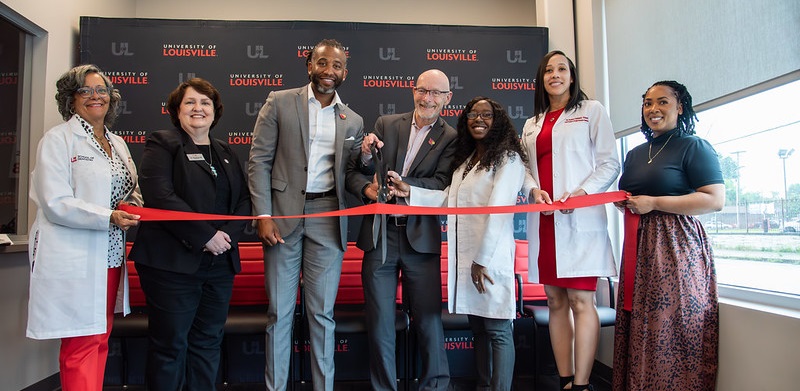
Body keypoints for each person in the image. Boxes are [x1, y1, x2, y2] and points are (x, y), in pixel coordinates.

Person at [248, 38, 364, 391]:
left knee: (322, 315)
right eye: (323, 63)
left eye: (337, 66)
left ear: (345, 72)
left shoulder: (353, 119)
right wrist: (263, 215)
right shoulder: (280, 101)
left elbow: (353, 172)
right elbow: (259, 162)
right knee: (279, 314)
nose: (329, 71)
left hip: (328, 217)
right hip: (282, 217)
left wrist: (370, 159)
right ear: (309, 65)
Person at [390, 97, 527, 391]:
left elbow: (498, 211)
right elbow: (445, 200)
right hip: (468, 262)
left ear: (498, 120)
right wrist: (408, 190)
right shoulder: (466, 163)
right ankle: (484, 386)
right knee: (478, 328)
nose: (479, 119)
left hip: (488, 260)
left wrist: (482, 260)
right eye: (472, 115)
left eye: (487, 115)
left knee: (498, 329)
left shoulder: (508, 159)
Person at [128, 78, 251, 390]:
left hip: (219, 266)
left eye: (205, 103)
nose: (199, 108)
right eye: (190, 103)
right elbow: (160, 197)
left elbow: (244, 201)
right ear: (176, 110)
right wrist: (206, 236)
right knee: (170, 347)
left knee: (208, 343)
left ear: (215, 111)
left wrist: (225, 237)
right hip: (172, 266)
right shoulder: (163, 143)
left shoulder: (225, 151)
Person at [27, 64, 142, 391]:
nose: (96, 97)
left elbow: (130, 188)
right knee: (80, 343)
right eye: (86, 91)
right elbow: (54, 200)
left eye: (102, 90)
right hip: (74, 256)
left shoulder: (117, 143)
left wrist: (133, 205)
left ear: (111, 98)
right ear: (71, 99)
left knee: (100, 336)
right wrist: (108, 216)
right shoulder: (58, 140)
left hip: (109, 258)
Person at [349, 69, 456, 391]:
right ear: (413, 91)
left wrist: (405, 186)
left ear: (448, 99)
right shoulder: (386, 123)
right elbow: (360, 170)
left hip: (420, 239)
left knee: (428, 322)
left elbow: (442, 183)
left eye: (437, 93)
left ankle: (435, 386)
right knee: (380, 323)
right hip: (380, 236)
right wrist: (367, 161)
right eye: (423, 90)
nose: (428, 98)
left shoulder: (451, 137)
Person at [613, 80, 724, 391]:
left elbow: (714, 200)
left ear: (680, 107)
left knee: (672, 323)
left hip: (677, 246)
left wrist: (654, 203)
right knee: (641, 322)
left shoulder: (694, 146)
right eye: (648, 103)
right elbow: (634, 196)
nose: (653, 109)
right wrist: (628, 204)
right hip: (639, 244)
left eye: (662, 102)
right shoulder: (635, 153)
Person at [520, 50, 619, 391]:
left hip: (580, 220)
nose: (555, 75)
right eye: (548, 70)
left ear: (572, 77)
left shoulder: (591, 111)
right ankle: (564, 379)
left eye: (562, 69)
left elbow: (609, 164)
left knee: (581, 300)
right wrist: (533, 191)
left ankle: (582, 384)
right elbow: (525, 171)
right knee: (555, 299)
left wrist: (581, 193)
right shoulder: (532, 124)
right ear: (541, 79)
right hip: (546, 220)